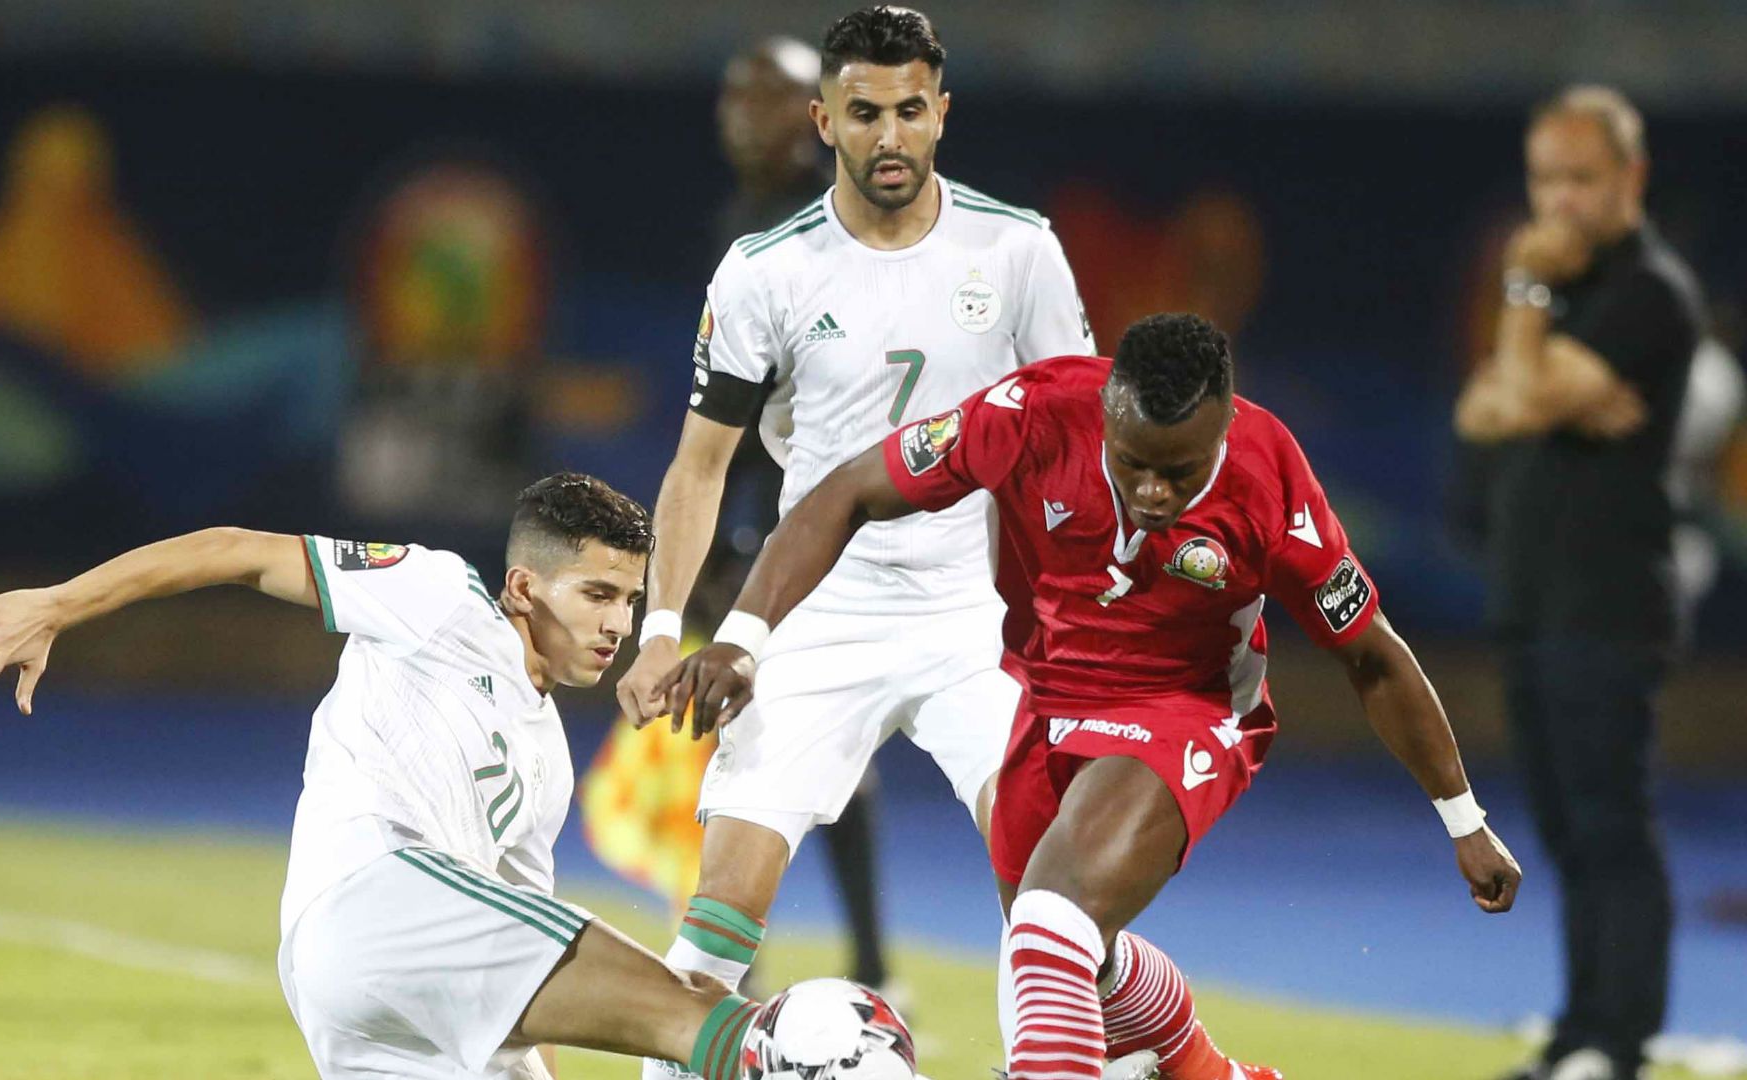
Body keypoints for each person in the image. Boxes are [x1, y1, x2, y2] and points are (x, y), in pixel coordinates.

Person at [664, 314, 1525, 1080]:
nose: (1153, 491)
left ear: (1223, 428)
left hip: (1185, 715)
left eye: (1179, 473)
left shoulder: (1271, 482)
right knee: (1082, 962)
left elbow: (1372, 657)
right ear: (1107, 411)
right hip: (1045, 707)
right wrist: (745, 636)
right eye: (1134, 463)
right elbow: (849, 489)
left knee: (1048, 924)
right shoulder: (1031, 414)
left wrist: (1463, 818)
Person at [0, 474, 770, 1080]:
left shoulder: (546, 753)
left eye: (630, 599)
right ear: (522, 587)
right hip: (373, 896)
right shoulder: (439, 598)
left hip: (385, 996)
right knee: (691, 1013)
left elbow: (520, 966)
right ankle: (816, 1053)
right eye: (597, 594)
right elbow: (236, 551)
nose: (618, 622)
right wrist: (59, 605)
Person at [615, 8, 1095, 1070]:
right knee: (723, 906)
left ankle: (1126, 1054)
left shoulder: (1018, 250)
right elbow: (698, 464)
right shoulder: (765, 270)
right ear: (824, 118)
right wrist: (659, 627)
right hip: (815, 607)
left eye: (911, 111)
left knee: (1060, 893)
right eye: (865, 112)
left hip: (984, 616)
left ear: (942, 115)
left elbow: (1082, 438)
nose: (890, 136)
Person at [1455, 86, 1705, 1080]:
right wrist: (1533, 372)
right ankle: (1577, 1032)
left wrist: (1519, 296)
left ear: (1630, 179)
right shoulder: (1567, 297)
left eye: (1581, 179)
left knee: (1610, 823)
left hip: (1606, 605)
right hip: (1534, 599)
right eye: (1543, 179)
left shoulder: (1650, 291)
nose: (1558, 201)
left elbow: (1513, 392)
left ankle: (1616, 1041)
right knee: (1563, 828)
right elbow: (1487, 408)